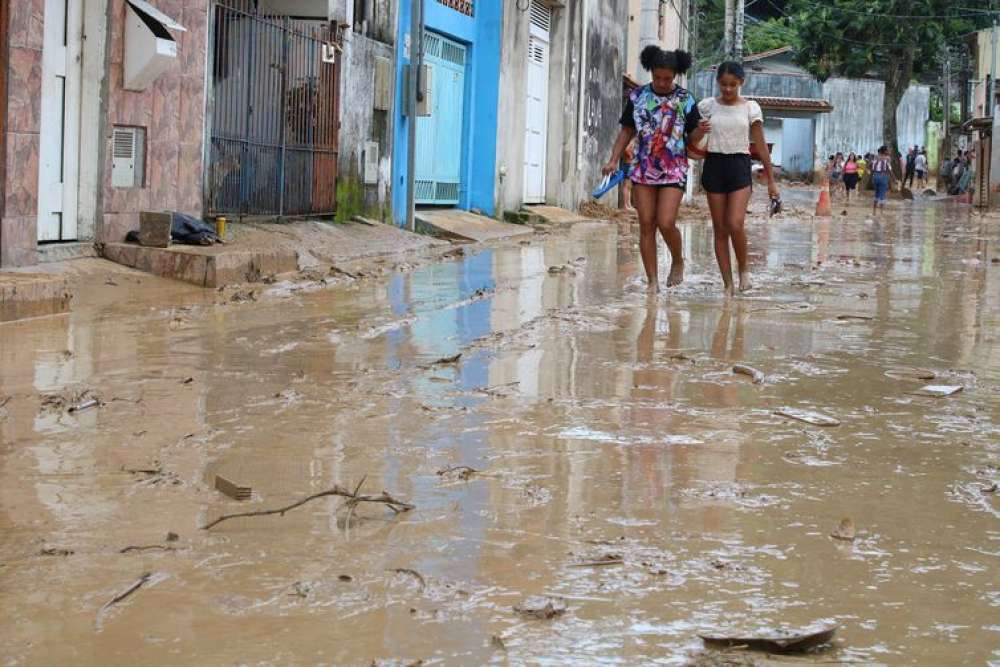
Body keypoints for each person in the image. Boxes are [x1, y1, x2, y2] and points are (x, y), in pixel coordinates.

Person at [605, 46, 703, 294]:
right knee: (646, 223)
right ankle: (652, 281)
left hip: (674, 169)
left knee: (666, 221)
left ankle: (678, 260)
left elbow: (693, 137)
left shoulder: (685, 99)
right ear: (651, 72)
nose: (661, 82)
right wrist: (613, 159)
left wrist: (702, 130)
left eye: (667, 78)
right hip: (643, 168)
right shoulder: (637, 97)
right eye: (657, 77)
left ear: (675, 75)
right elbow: (627, 130)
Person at [697, 61, 779, 295]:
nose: (728, 89)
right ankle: (727, 285)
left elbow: (761, 145)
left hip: (739, 165)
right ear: (717, 82)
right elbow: (692, 137)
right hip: (714, 164)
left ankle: (743, 269)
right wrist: (698, 130)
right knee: (720, 229)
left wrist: (771, 181)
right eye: (723, 84)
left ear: (741, 83)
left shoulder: (751, 108)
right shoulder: (707, 106)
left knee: (735, 223)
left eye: (733, 85)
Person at [871, 145, 894, 214]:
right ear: (885, 151)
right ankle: (881, 212)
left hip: (875, 176)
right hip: (883, 176)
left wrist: (872, 177)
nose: (889, 151)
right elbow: (889, 169)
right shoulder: (887, 158)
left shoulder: (875, 157)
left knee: (876, 193)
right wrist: (894, 178)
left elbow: (871, 167)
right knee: (882, 194)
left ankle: (874, 211)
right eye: (888, 150)